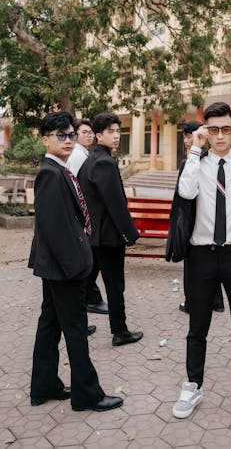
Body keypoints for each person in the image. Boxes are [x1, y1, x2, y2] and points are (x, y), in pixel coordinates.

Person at [171, 102, 231, 423]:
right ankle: (193, 385)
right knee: (197, 327)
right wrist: (195, 149)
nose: (220, 136)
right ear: (206, 131)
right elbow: (186, 192)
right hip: (201, 256)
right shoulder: (196, 164)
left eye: (227, 129)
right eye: (213, 130)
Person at [29, 111, 122, 412]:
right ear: (45, 139)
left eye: (70, 135)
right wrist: (77, 268)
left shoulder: (61, 170)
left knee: (50, 324)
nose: (68, 140)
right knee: (76, 330)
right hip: (64, 268)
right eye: (61, 135)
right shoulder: (50, 173)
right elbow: (53, 228)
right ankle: (87, 394)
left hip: (56, 266)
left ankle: (44, 385)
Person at [78, 112, 143, 347]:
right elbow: (116, 204)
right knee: (115, 285)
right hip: (108, 235)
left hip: (94, 235)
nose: (116, 136)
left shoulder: (91, 160)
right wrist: (130, 233)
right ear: (99, 135)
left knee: (85, 284)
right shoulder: (104, 162)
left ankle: (76, 327)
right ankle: (120, 332)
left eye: (118, 131)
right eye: (110, 132)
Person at [177, 121, 224, 315]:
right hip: (210, 222)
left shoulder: (192, 161)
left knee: (192, 266)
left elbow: (182, 198)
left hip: (195, 222)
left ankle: (191, 303)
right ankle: (217, 302)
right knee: (212, 261)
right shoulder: (212, 160)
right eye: (186, 137)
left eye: (191, 136)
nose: (187, 141)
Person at [66, 119, 109, 316]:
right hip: (83, 217)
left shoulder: (83, 154)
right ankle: (88, 300)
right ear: (75, 135)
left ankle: (91, 299)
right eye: (85, 132)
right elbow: (75, 187)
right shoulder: (77, 156)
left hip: (86, 216)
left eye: (91, 132)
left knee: (91, 261)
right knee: (90, 261)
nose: (89, 135)